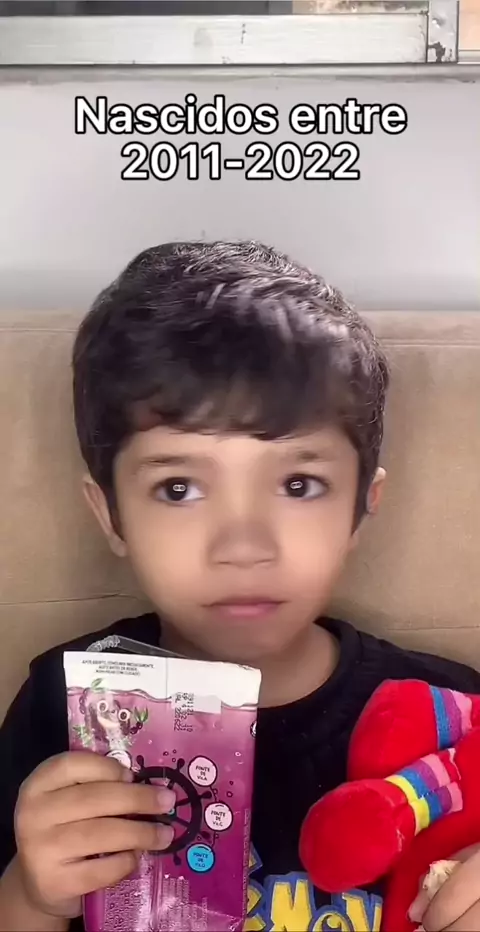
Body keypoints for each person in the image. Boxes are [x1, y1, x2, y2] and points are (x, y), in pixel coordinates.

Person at [0, 240, 479, 932]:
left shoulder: (453, 714)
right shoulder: (62, 702)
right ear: (110, 515)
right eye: (179, 488)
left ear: (361, 507)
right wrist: (32, 898)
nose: (244, 546)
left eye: (298, 484)